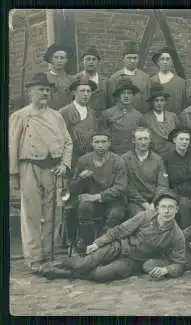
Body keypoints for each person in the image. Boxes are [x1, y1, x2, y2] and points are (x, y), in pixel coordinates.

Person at [38, 190, 187, 282]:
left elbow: (180, 264)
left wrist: (166, 270)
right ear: (157, 208)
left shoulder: (177, 235)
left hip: (133, 262)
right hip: (118, 247)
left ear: (177, 210)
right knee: (83, 263)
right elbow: (119, 230)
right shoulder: (144, 216)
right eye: (163, 207)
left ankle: (61, 274)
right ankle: (57, 265)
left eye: (171, 207)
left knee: (101, 275)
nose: (167, 211)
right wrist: (98, 243)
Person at [9, 73, 73, 272]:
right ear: (30, 92)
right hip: (30, 167)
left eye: (47, 90)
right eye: (40, 90)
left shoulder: (56, 116)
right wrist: (13, 175)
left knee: (53, 213)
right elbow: (12, 145)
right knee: (32, 214)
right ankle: (34, 258)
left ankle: (50, 255)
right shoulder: (21, 116)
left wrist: (65, 164)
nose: (44, 93)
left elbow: (67, 142)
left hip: (53, 169)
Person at [68, 131, 127, 251]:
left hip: (113, 200)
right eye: (97, 142)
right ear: (92, 144)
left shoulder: (118, 161)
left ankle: (103, 245)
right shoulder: (83, 160)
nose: (100, 145)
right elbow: (73, 188)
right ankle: (86, 242)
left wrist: (98, 196)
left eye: (104, 142)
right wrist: (80, 178)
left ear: (109, 143)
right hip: (90, 201)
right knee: (84, 207)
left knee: (115, 215)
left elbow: (120, 187)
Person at [122, 127, 170, 218]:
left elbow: (163, 185)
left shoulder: (158, 159)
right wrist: (144, 204)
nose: (143, 142)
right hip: (134, 201)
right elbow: (127, 185)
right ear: (134, 141)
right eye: (140, 139)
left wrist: (154, 203)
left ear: (150, 140)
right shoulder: (125, 159)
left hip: (155, 200)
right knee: (141, 218)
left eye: (146, 139)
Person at [59, 76, 99, 170]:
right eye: (82, 91)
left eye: (88, 91)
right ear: (74, 92)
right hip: (70, 160)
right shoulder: (64, 112)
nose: (85, 94)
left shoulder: (92, 113)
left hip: (88, 160)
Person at [101, 77, 146, 154]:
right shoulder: (107, 114)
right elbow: (103, 137)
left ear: (133, 95)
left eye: (129, 93)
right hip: (113, 154)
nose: (126, 96)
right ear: (118, 95)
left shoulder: (139, 116)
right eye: (123, 93)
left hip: (132, 155)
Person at [108, 41, 151, 114]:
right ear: (123, 59)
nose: (132, 61)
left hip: (140, 116)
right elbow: (111, 101)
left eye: (135, 58)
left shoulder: (145, 78)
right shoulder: (115, 77)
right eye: (129, 58)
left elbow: (148, 100)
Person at [142, 83, 180, 157]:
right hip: (154, 154)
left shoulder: (172, 116)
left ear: (165, 102)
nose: (159, 103)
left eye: (162, 100)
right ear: (152, 102)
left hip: (172, 153)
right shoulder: (145, 118)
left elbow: (178, 135)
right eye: (156, 101)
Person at [73, 45, 110, 118]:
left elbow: (110, 103)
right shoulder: (74, 79)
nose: (91, 62)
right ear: (82, 61)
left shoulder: (106, 81)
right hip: (79, 119)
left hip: (99, 119)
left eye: (94, 59)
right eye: (88, 59)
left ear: (98, 62)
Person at [150, 47, 187, 114]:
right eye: (162, 59)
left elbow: (183, 105)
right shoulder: (151, 81)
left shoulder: (180, 82)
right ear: (158, 62)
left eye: (167, 59)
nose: (165, 62)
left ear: (172, 61)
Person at [43, 43, 74, 110]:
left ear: (66, 60)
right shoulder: (43, 79)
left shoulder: (72, 80)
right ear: (51, 60)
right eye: (56, 57)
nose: (59, 60)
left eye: (62, 58)